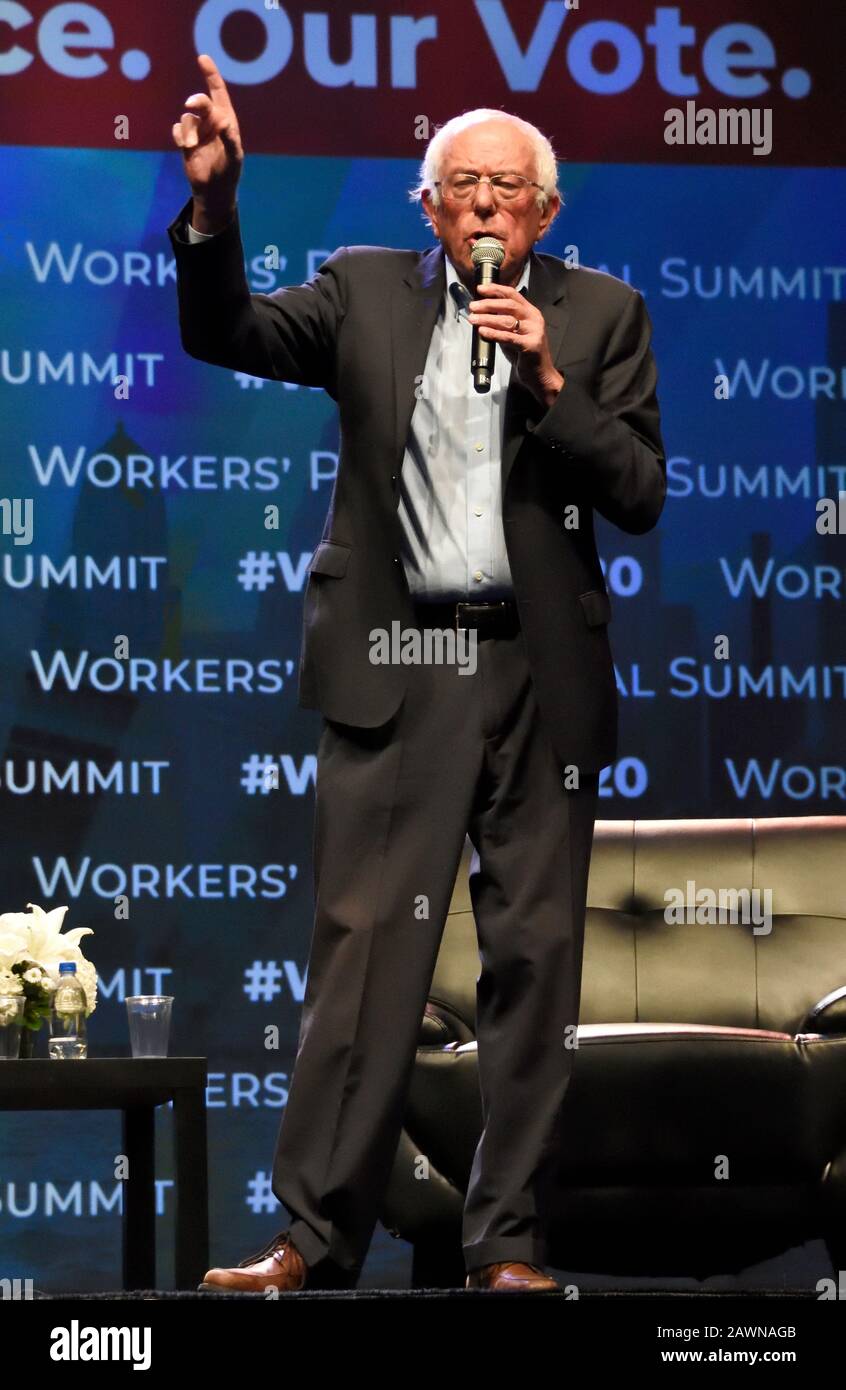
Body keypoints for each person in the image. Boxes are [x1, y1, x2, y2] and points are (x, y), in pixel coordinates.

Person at [169, 53, 666, 1293]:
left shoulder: (602, 314)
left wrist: (550, 382)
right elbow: (226, 330)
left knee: (535, 962)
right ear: (429, 205)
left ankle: (509, 1244)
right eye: (463, 185)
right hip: (401, 662)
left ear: (546, 212)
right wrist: (217, 207)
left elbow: (641, 490)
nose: (486, 203)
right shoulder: (362, 292)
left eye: (509, 188)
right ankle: (314, 1236)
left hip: (538, 677)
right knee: (365, 961)